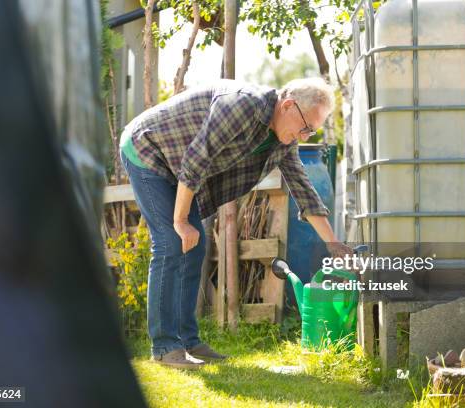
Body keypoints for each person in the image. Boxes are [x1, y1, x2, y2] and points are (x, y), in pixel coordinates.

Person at [120, 77, 352, 369]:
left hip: (176, 165)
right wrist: (180, 220)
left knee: (196, 245)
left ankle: (187, 341)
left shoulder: (281, 140)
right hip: (147, 150)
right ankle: (165, 346)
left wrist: (333, 243)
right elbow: (195, 160)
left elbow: (303, 189)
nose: (305, 136)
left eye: (312, 131)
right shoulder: (241, 105)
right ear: (289, 106)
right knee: (170, 242)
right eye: (306, 127)